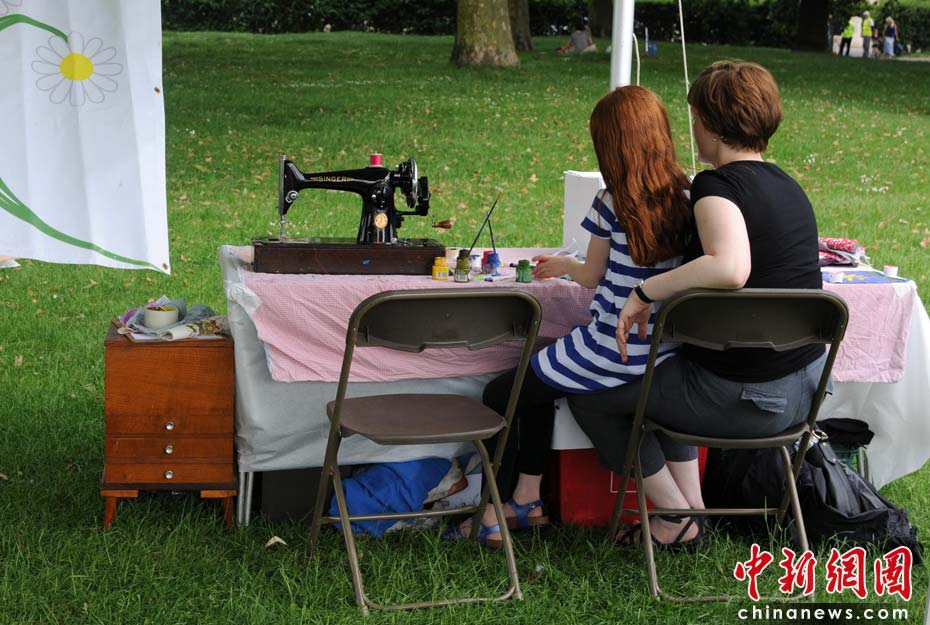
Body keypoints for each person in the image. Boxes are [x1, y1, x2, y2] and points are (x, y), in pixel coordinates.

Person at [566, 61, 829, 550]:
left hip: (743, 398)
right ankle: (694, 512)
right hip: (803, 396)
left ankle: (675, 518)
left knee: (594, 398)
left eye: (695, 118)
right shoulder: (789, 187)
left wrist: (645, 291)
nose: (692, 129)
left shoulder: (715, 188)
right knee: (669, 373)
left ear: (711, 122)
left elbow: (731, 267)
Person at [457, 86, 692, 547]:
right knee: (538, 378)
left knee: (504, 392)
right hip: (661, 352)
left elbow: (592, 276)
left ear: (612, 146)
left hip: (609, 348)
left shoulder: (612, 201)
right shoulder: (688, 197)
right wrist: (569, 264)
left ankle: (497, 510)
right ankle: (528, 499)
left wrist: (566, 265)